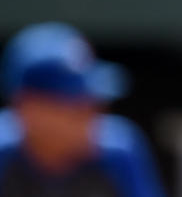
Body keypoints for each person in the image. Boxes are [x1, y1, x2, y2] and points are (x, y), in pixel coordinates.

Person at [0, 22, 165, 197]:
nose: (92, 115)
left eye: (92, 102)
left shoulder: (120, 149)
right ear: (28, 108)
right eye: (75, 105)